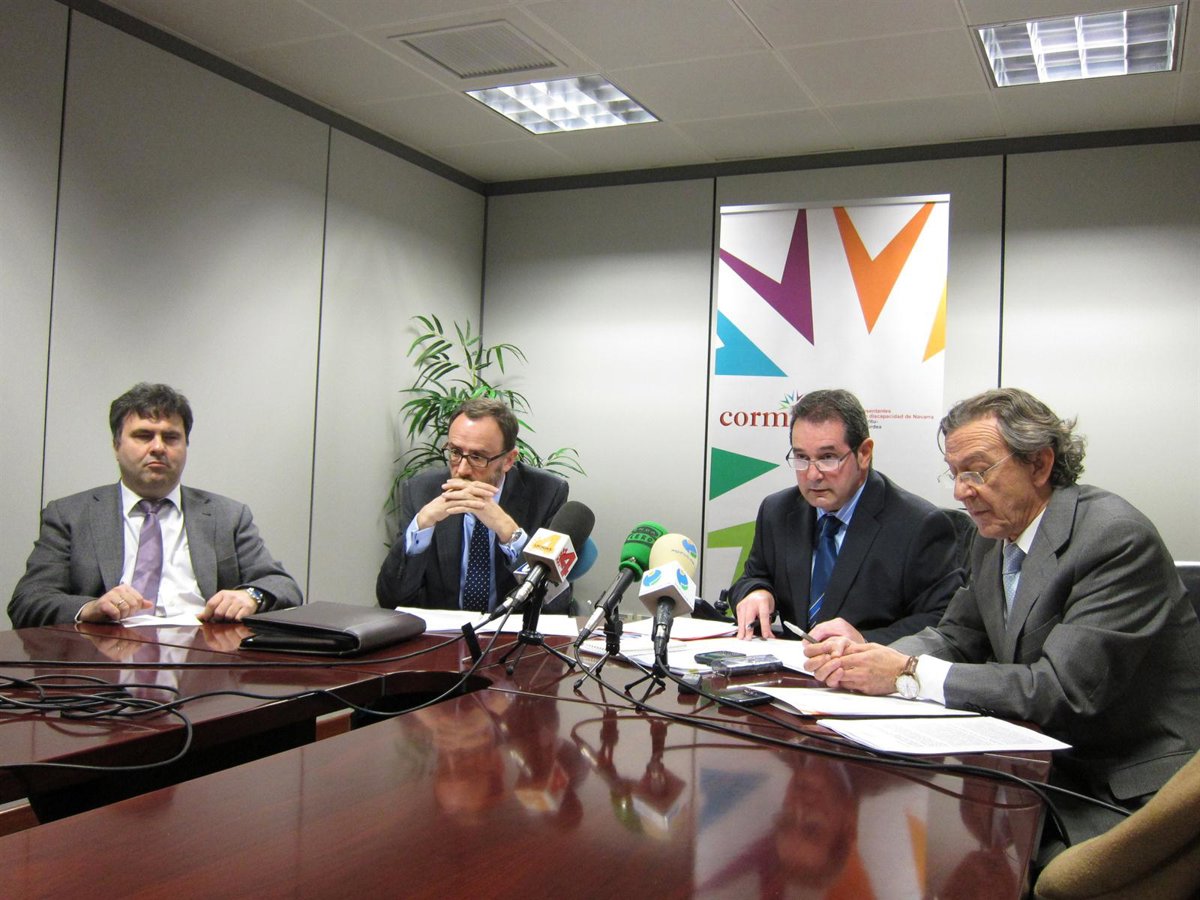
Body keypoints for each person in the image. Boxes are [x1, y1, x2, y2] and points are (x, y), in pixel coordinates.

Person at [804, 387, 1200, 848]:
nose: (961, 491)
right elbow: (957, 635)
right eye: (954, 473)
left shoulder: (1113, 538)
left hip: (1125, 788)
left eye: (977, 471)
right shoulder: (993, 536)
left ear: (1040, 464)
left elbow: (1060, 691)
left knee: (972, 860)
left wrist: (908, 674)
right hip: (1041, 763)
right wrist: (867, 659)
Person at [10, 382, 302, 627]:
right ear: (116, 446)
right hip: (104, 651)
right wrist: (90, 608)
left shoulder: (228, 515)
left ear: (186, 446)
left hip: (206, 652)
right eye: (143, 436)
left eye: (171, 437)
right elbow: (28, 600)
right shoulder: (70, 515)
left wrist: (251, 596)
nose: (158, 447)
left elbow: (282, 585)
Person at [730, 389, 962, 644]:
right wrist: (755, 591)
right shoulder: (777, 511)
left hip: (871, 667)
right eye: (802, 458)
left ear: (864, 453)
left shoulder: (918, 525)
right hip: (793, 664)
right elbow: (753, 576)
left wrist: (864, 641)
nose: (812, 475)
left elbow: (942, 621)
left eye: (827, 458)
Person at [376, 398, 569, 613]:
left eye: (477, 457)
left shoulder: (547, 493)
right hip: (443, 631)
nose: (462, 470)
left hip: (508, 631)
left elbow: (557, 605)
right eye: (455, 452)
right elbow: (390, 600)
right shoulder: (422, 491)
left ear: (508, 460)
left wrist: (509, 532)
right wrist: (421, 526)